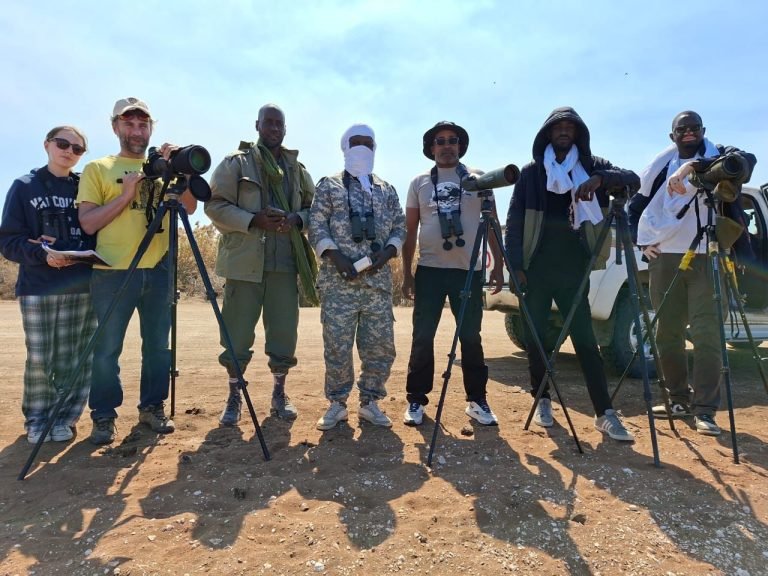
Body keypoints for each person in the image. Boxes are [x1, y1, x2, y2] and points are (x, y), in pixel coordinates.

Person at [504, 106, 638, 442]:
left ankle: (604, 413)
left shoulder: (593, 167)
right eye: (558, 127)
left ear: (578, 134)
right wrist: (515, 267)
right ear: (548, 133)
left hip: (575, 271)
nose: (564, 131)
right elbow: (515, 222)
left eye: (570, 127)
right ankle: (542, 398)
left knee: (585, 342)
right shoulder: (531, 174)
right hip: (535, 271)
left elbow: (633, 181)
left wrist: (601, 180)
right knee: (537, 340)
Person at [78, 97, 197, 445]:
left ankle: (152, 407)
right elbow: (88, 223)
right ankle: (103, 415)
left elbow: (188, 207)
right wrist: (125, 194)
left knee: (159, 347)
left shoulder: (162, 168)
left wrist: (181, 170)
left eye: (143, 124)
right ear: (115, 126)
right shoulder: (99, 168)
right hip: (113, 271)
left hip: (159, 270)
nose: (136, 130)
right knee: (107, 347)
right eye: (128, 124)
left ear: (151, 129)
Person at [630, 110, 756, 436]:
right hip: (666, 257)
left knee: (707, 335)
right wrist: (640, 243)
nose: (688, 132)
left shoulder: (719, 156)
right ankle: (676, 399)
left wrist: (692, 167)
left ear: (703, 131)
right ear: (672, 136)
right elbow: (635, 206)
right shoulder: (659, 167)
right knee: (667, 333)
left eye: (694, 128)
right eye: (681, 129)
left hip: (707, 256)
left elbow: (747, 161)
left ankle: (705, 410)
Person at [206, 103, 316, 426]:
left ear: (285, 129)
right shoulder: (235, 164)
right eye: (268, 122)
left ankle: (279, 394)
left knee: (283, 335)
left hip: (285, 264)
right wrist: (253, 220)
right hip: (244, 266)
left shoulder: (298, 170)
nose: (273, 128)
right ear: (257, 125)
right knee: (236, 336)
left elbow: (315, 210)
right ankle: (234, 395)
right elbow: (214, 205)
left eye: (278, 124)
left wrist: (297, 219)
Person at [401, 121, 504, 427]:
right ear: (431, 148)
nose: (446, 146)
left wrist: (498, 265)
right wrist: (407, 273)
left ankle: (477, 400)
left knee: (471, 337)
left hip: (467, 271)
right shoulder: (419, 181)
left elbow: (493, 223)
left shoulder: (479, 178)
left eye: (452, 140)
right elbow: (410, 230)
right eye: (440, 141)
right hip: (430, 271)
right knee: (422, 337)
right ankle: (416, 400)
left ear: (460, 146)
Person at [0, 125, 96, 444]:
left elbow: (96, 231)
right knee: (41, 356)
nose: (69, 151)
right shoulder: (24, 186)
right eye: (62, 143)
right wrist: (42, 254)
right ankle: (38, 418)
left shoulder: (85, 187)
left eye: (77, 148)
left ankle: (64, 416)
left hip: (79, 286)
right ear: (47, 145)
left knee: (75, 356)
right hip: (38, 285)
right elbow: (9, 241)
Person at [309, 123, 406, 431]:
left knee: (380, 346)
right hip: (339, 284)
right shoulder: (329, 185)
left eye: (368, 143)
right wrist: (336, 257)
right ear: (345, 147)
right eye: (356, 142)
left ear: (375, 148)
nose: (362, 148)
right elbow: (316, 225)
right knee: (337, 346)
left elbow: (400, 227)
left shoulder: (386, 189)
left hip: (377, 284)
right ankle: (337, 404)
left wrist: (388, 253)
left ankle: (370, 403)